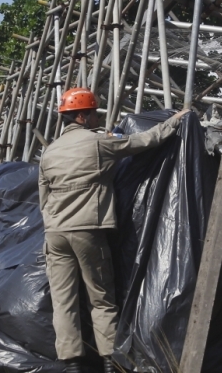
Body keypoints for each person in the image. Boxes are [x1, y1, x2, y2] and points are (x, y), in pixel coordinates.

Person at [38, 87, 188, 373]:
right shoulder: (98, 143)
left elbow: (43, 200)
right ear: (82, 116)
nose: (96, 118)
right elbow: (145, 140)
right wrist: (176, 120)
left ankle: (72, 365)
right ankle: (109, 362)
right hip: (88, 230)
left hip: (54, 234)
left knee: (63, 300)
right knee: (101, 299)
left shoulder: (49, 153)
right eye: (94, 113)